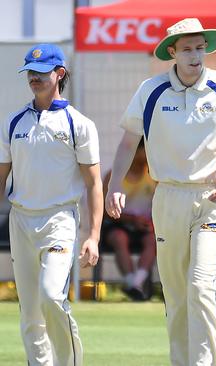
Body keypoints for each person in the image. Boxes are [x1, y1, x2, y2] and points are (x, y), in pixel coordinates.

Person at [105, 18, 216, 365]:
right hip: (168, 197)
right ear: (172, 52)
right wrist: (114, 186)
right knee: (176, 292)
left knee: (201, 285)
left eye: (200, 47)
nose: (195, 55)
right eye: (187, 49)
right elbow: (128, 143)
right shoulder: (150, 90)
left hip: (213, 199)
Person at [0, 43, 102, 365]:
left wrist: (94, 235)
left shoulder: (79, 124)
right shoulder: (13, 122)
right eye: (31, 73)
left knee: (51, 295)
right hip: (21, 220)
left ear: (60, 74)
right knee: (31, 313)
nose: (35, 78)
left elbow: (94, 183)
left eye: (42, 73)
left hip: (60, 219)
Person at [102, 138, 156, 301]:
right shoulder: (115, 175)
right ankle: (132, 281)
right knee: (120, 238)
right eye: (146, 150)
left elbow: (160, 204)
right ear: (136, 150)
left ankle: (136, 283)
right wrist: (131, 219)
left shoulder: (153, 174)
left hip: (144, 226)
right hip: (117, 224)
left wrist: (152, 222)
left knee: (153, 240)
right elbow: (105, 209)